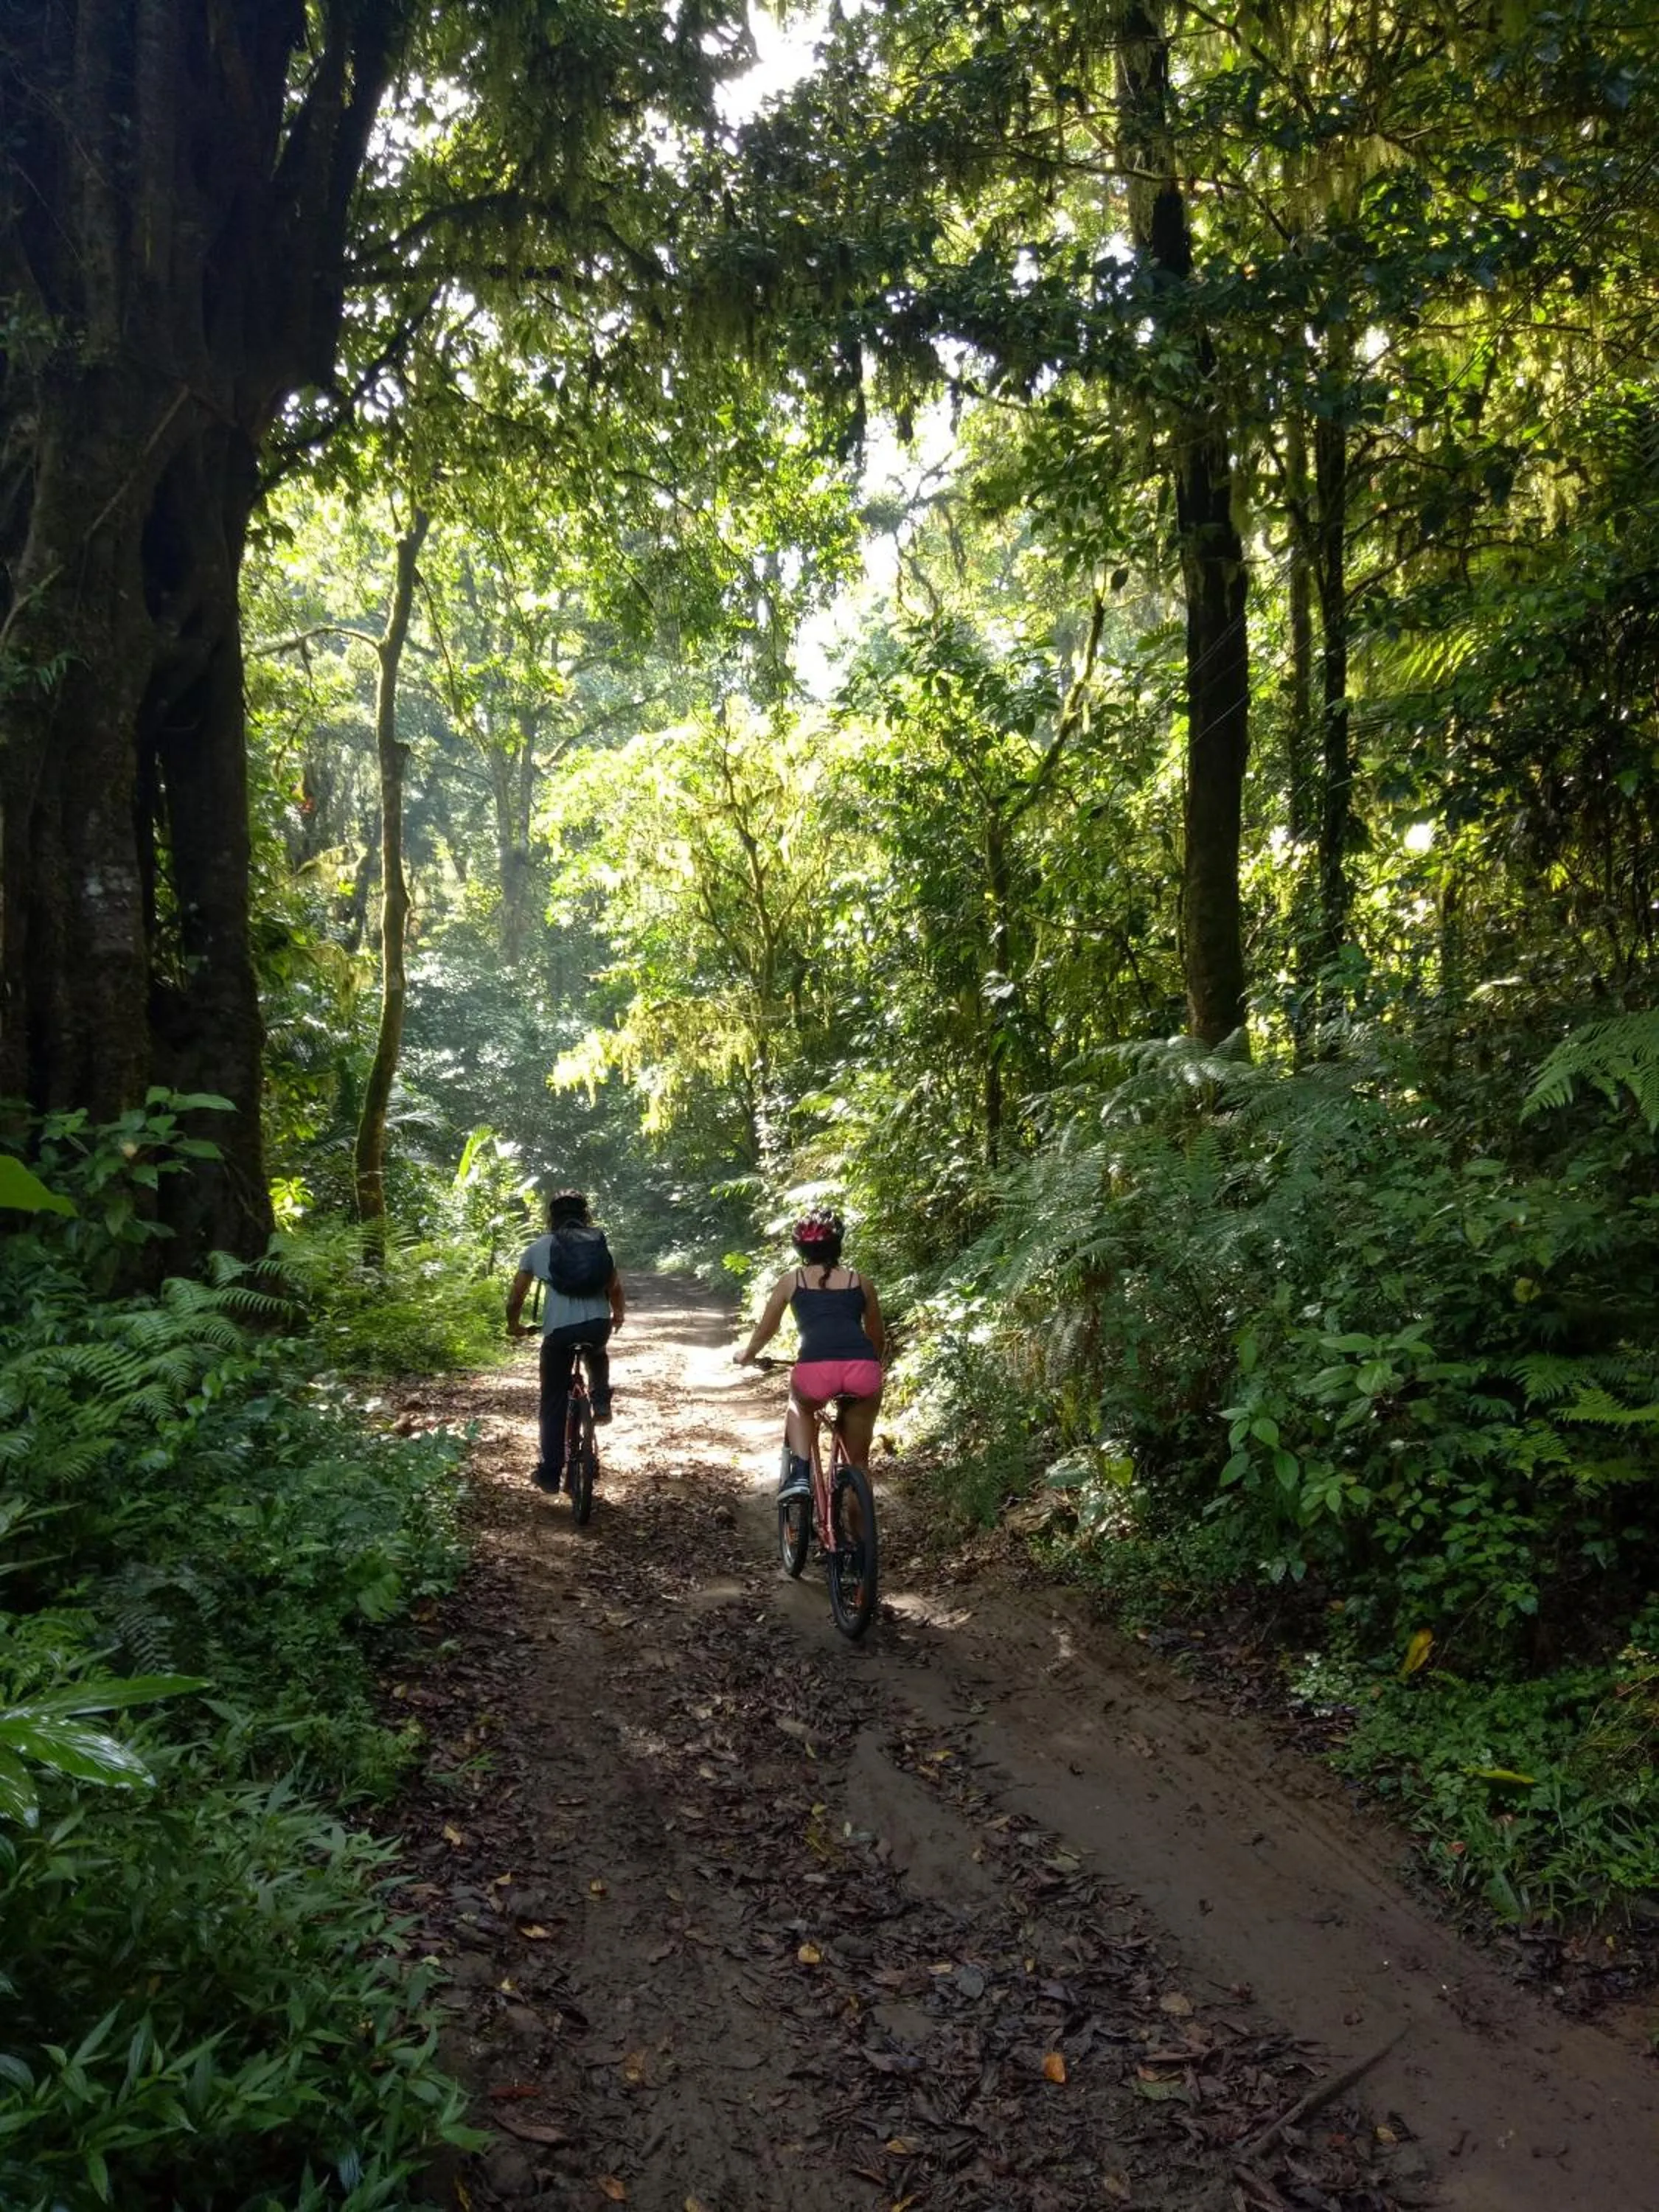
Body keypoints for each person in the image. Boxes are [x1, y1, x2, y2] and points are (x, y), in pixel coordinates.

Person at [734, 1207, 885, 1500]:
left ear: (800, 1247)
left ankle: (800, 1474)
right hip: (863, 1371)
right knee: (859, 1464)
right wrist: (872, 1366)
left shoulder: (792, 1281)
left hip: (816, 1371)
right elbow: (876, 1337)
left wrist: (748, 1355)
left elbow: (767, 1330)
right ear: (838, 1244)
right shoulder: (861, 1282)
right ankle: (862, 1542)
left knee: (799, 1405)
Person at [507, 1190, 625, 1493]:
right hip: (597, 1326)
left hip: (558, 1333)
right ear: (586, 1216)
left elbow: (517, 1296)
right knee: (597, 1352)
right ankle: (599, 1399)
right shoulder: (598, 1244)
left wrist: (514, 1325)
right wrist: (618, 1317)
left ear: (551, 1218)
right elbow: (614, 1288)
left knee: (553, 1402)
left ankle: (549, 1474)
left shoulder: (538, 1248)